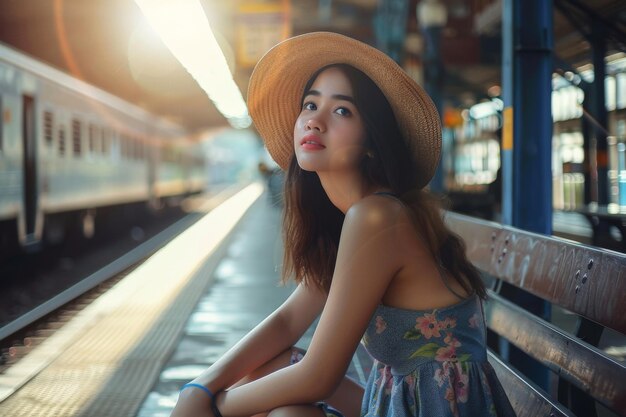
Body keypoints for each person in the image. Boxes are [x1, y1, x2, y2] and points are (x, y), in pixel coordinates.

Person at [171, 32, 516, 417]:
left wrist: (212, 408)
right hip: (402, 400)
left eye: (341, 111)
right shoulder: (353, 216)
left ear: (371, 141)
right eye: (310, 104)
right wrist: (201, 386)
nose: (315, 120)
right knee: (274, 366)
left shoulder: (376, 217)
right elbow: (288, 322)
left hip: (437, 409)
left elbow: (318, 377)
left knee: (288, 412)